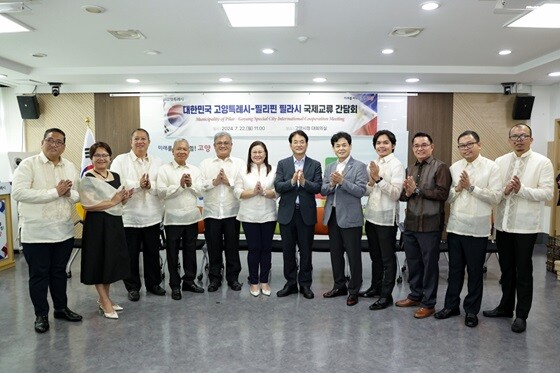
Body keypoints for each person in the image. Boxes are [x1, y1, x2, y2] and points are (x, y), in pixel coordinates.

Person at [483, 124, 554, 333]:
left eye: (523, 136)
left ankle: (521, 315)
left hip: (526, 226)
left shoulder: (543, 162)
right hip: (503, 225)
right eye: (515, 136)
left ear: (531, 139)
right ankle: (505, 307)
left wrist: (521, 190)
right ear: (509, 140)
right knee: (506, 270)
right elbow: (495, 191)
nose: (519, 139)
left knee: (523, 271)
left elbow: (547, 193)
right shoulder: (501, 161)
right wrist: (504, 191)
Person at [12, 128, 83, 333]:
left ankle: (61, 308)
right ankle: (41, 314)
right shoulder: (28, 165)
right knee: (39, 275)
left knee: (59, 273)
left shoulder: (69, 166)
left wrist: (69, 193)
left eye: (59, 142)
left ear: (64, 146)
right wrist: (55, 192)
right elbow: (18, 192)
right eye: (50, 140)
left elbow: (77, 194)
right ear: (43, 142)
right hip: (36, 233)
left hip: (63, 230)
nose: (54, 144)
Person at [434, 131, 502, 327]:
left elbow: (496, 197)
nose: (465, 148)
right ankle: (451, 306)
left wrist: (472, 188)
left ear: (479, 145)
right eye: (462, 145)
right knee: (454, 270)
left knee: (474, 272)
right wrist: (457, 189)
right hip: (456, 227)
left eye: (469, 144)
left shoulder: (491, 167)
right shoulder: (455, 167)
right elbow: (447, 198)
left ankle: (471, 311)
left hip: (478, 229)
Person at [396, 132, 452, 318]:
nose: (420, 148)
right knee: (413, 263)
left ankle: (429, 303)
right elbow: (405, 196)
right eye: (416, 146)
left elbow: (442, 194)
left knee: (429, 265)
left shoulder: (440, 167)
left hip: (430, 224)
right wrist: (408, 191)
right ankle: (415, 295)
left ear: (432, 146)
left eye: (424, 145)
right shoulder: (410, 168)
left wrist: (417, 190)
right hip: (411, 223)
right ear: (412, 148)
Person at [79, 142, 133, 319]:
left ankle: (105, 299)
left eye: (104, 155)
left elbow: (119, 203)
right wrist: (114, 201)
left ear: (110, 158)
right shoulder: (88, 177)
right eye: (97, 155)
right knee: (98, 261)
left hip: (114, 224)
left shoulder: (116, 176)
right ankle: (104, 300)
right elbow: (88, 205)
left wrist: (124, 198)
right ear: (92, 158)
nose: (101, 158)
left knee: (109, 261)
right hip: (96, 225)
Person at [110, 128, 165, 301]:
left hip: (152, 216)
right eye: (136, 139)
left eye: (143, 139)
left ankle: (153, 284)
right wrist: (139, 184)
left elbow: (162, 185)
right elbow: (116, 183)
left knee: (152, 253)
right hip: (129, 217)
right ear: (131, 142)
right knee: (130, 255)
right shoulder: (120, 160)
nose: (140, 142)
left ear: (149, 142)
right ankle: (132, 287)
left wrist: (150, 186)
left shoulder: (157, 161)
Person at [274, 130, 322, 299]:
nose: (299, 144)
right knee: (288, 251)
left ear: (306, 144)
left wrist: (304, 182)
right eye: (295, 141)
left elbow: (318, 187)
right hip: (287, 213)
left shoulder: (314, 164)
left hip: (306, 214)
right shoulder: (283, 164)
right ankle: (291, 283)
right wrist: (293, 182)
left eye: (302, 141)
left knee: (306, 252)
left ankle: (305, 284)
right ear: (290, 145)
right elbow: (278, 186)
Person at [321, 132, 368, 306]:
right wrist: (332, 184)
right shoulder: (330, 167)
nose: (341, 148)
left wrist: (342, 182)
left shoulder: (359, 166)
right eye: (337, 146)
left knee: (353, 255)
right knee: (336, 254)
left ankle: (354, 290)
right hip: (332, 216)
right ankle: (339, 285)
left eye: (344, 145)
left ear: (350, 146)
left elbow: (360, 191)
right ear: (333, 148)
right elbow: (323, 190)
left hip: (350, 217)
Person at [157, 138, 204, 301]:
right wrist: (178, 186)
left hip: (191, 218)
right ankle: (175, 285)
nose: (182, 152)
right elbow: (161, 193)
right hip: (172, 219)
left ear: (189, 152)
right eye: (179, 149)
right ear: (172, 151)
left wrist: (190, 185)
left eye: (185, 149)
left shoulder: (195, 170)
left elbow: (200, 192)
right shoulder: (164, 170)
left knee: (190, 252)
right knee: (172, 254)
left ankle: (189, 282)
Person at [363, 130, 405, 310]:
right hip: (371, 216)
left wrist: (378, 179)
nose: (381, 145)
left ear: (393, 145)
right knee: (375, 257)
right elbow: (366, 191)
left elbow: (396, 194)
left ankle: (386, 296)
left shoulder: (397, 165)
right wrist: (372, 182)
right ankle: (375, 287)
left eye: (385, 142)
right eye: (378, 143)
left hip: (387, 220)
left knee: (387, 259)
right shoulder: (372, 164)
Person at [198, 132, 245, 292]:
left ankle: (233, 279)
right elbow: (200, 186)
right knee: (214, 248)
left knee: (233, 248)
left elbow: (242, 185)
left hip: (233, 213)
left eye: (226, 143)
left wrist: (228, 181)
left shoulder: (239, 163)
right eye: (219, 143)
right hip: (212, 213)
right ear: (214, 146)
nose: (223, 145)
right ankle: (214, 279)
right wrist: (215, 182)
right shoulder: (205, 163)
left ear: (231, 145)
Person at [234, 141, 277, 297]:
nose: (257, 155)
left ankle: (264, 281)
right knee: (253, 249)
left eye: (260, 152)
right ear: (250, 155)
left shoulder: (273, 170)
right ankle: (253, 282)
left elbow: (278, 191)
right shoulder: (242, 170)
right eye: (254, 152)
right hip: (249, 215)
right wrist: (253, 192)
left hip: (268, 215)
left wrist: (264, 192)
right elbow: (237, 192)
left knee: (266, 249)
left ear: (265, 154)